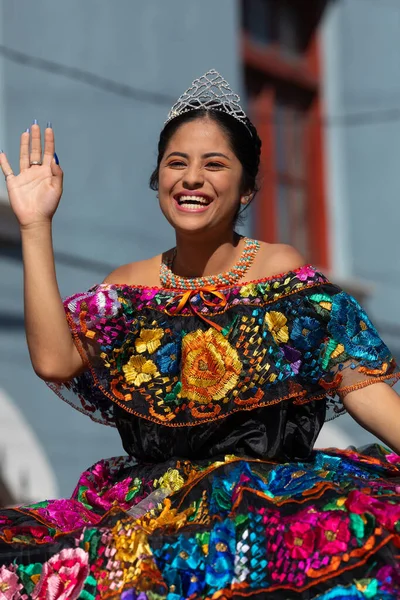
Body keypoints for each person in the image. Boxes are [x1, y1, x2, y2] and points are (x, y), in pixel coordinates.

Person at [0, 69, 400, 600]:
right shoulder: (128, 288)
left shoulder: (279, 274)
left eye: (215, 164)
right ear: (158, 181)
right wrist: (35, 227)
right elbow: (54, 361)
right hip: (154, 515)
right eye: (176, 163)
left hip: (267, 510)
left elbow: (359, 384)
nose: (192, 178)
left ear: (248, 188)